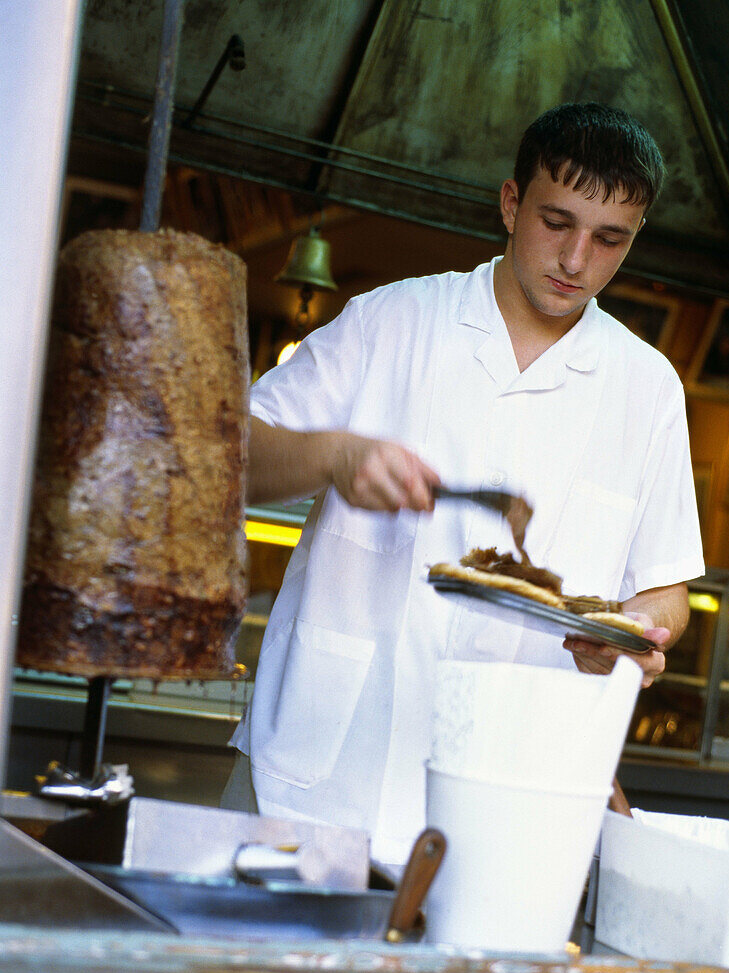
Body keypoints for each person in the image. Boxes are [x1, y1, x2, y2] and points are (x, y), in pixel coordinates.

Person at [223, 102, 704, 867]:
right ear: (511, 203)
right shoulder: (393, 321)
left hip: (509, 802)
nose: (576, 259)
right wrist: (333, 457)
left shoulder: (646, 389)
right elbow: (225, 457)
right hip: (318, 777)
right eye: (557, 222)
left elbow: (667, 589)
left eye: (609, 239)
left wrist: (636, 630)